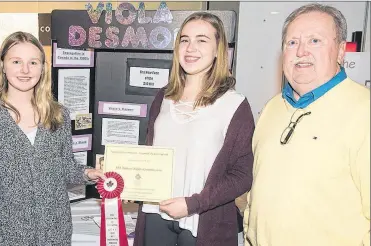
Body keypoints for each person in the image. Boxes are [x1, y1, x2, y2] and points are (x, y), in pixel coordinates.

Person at [244, 4, 370, 246]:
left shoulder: (364, 112)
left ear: (341, 51)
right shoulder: (272, 108)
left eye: (315, 41)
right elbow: (257, 191)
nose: (301, 51)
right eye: (292, 43)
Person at [0, 31, 105, 246]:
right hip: (5, 235)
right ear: (3, 65)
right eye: (16, 61)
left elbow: (65, 166)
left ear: (42, 68)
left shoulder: (58, 115)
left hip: (54, 232)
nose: (25, 70)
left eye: (33, 62)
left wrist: (88, 173)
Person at [133, 12, 255, 246]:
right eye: (185, 39)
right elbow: (150, 154)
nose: (190, 48)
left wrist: (192, 204)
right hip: (155, 212)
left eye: (202, 40)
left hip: (202, 219)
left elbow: (242, 176)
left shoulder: (234, 105)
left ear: (218, 49)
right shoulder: (164, 97)